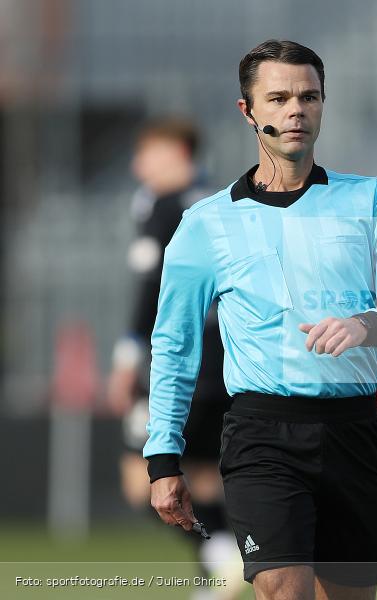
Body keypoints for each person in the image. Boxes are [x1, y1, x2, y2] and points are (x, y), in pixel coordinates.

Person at [143, 40, 377, 600]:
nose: (295, 109)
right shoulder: (206, 224)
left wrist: (368, 323)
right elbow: (174, 345)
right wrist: (163, 459)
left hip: (354, 431)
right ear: (247, 111)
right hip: (260, 432)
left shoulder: (370, 199)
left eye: (309, 96)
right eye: (277, 98)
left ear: (324, 105)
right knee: (283, 588)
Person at [107, 117, 242, 600]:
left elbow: (151, 289)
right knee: (203, 475)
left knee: (139, 477)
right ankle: (225, 563)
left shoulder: (164, 208)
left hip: (176, 363)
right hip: (225, 363)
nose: (137, 165)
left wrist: (126, 357)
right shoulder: (223, 202)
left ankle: (223, 551)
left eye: (147, 154)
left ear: (176, 153)